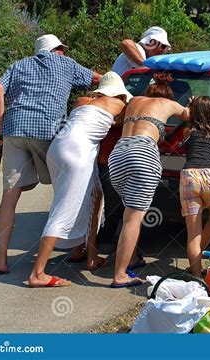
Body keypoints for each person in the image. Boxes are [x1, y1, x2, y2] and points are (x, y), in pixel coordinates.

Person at [0, 34, 101, 275]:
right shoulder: (67, 64)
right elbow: (98, 80)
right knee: (68, 190)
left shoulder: (19, 64)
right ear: (56, 50)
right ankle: (76, 249)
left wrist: (1, 124)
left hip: (14, 129)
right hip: (48, 130)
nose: (63, 52)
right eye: (61, 49)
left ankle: (1, 260)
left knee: (9, 195)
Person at [28, 72, 131, 287]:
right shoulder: (119, 104)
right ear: (119, 93)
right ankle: (38, 273)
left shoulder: (82, 101)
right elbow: (130, 117)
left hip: (57, 150)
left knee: (96, 197)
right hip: (78, 152)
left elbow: (88, 119)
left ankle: (87, 254)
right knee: (63, 209)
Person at [90, 27, 172, 257]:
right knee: (119, 196)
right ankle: (114, 247)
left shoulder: (141, 84)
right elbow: (126, 41)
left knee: (116, 190)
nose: (163, 51)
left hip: (124, 127)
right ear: (152, 41)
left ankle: (103, 242)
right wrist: (147, 67)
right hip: (120, 120)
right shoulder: (137, 51)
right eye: (163, 46)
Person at [108, 72, 190, 288]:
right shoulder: (169, 104)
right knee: (133, 218)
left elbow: (116, 119)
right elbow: (190, 115)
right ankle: (120, 274)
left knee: (128, 211)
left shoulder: (134, 100)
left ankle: (132, 258)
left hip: (118, 154)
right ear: (167, 94)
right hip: (143, 152)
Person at [179, 96, 210, 278]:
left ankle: (197, 276)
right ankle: (199, 255)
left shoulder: (188, 132)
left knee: (193, 233)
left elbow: (187, 118)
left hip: (189, 176)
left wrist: (190, 106)